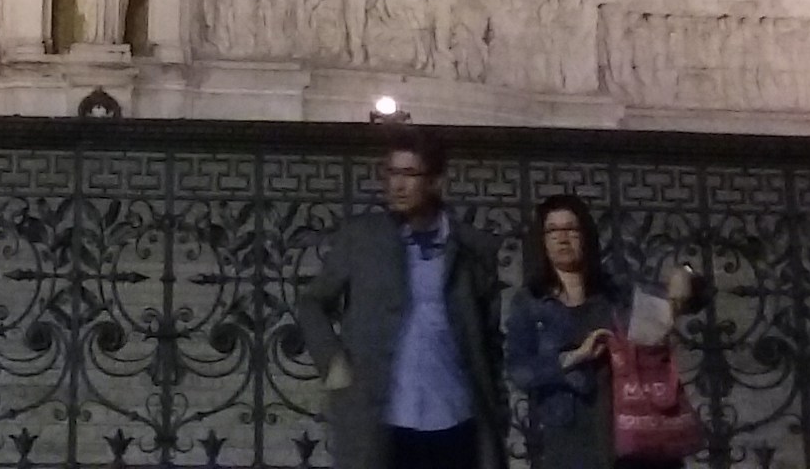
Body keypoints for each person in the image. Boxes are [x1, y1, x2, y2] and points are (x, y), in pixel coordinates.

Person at [297, 131, 509, 469]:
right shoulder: (363, 238)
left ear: (436, 181)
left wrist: (498, 409)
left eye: (409, 174)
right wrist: (333, 363)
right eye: (391, 173)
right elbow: (312, 303)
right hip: (384, 416)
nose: (397, 185)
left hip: (456, 414)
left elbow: (489, 337)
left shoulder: (471, 247)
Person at [505, 193, 696, 469]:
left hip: (628, 431)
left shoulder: (615, 291)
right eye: (552, 230)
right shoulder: (530, 302)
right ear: (542, 241)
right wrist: (575, 357)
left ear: (585, 235)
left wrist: (685, 280)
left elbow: (664, 313)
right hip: (568, 438)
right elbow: (519, 370)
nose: (562, 237)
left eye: (570, 228)